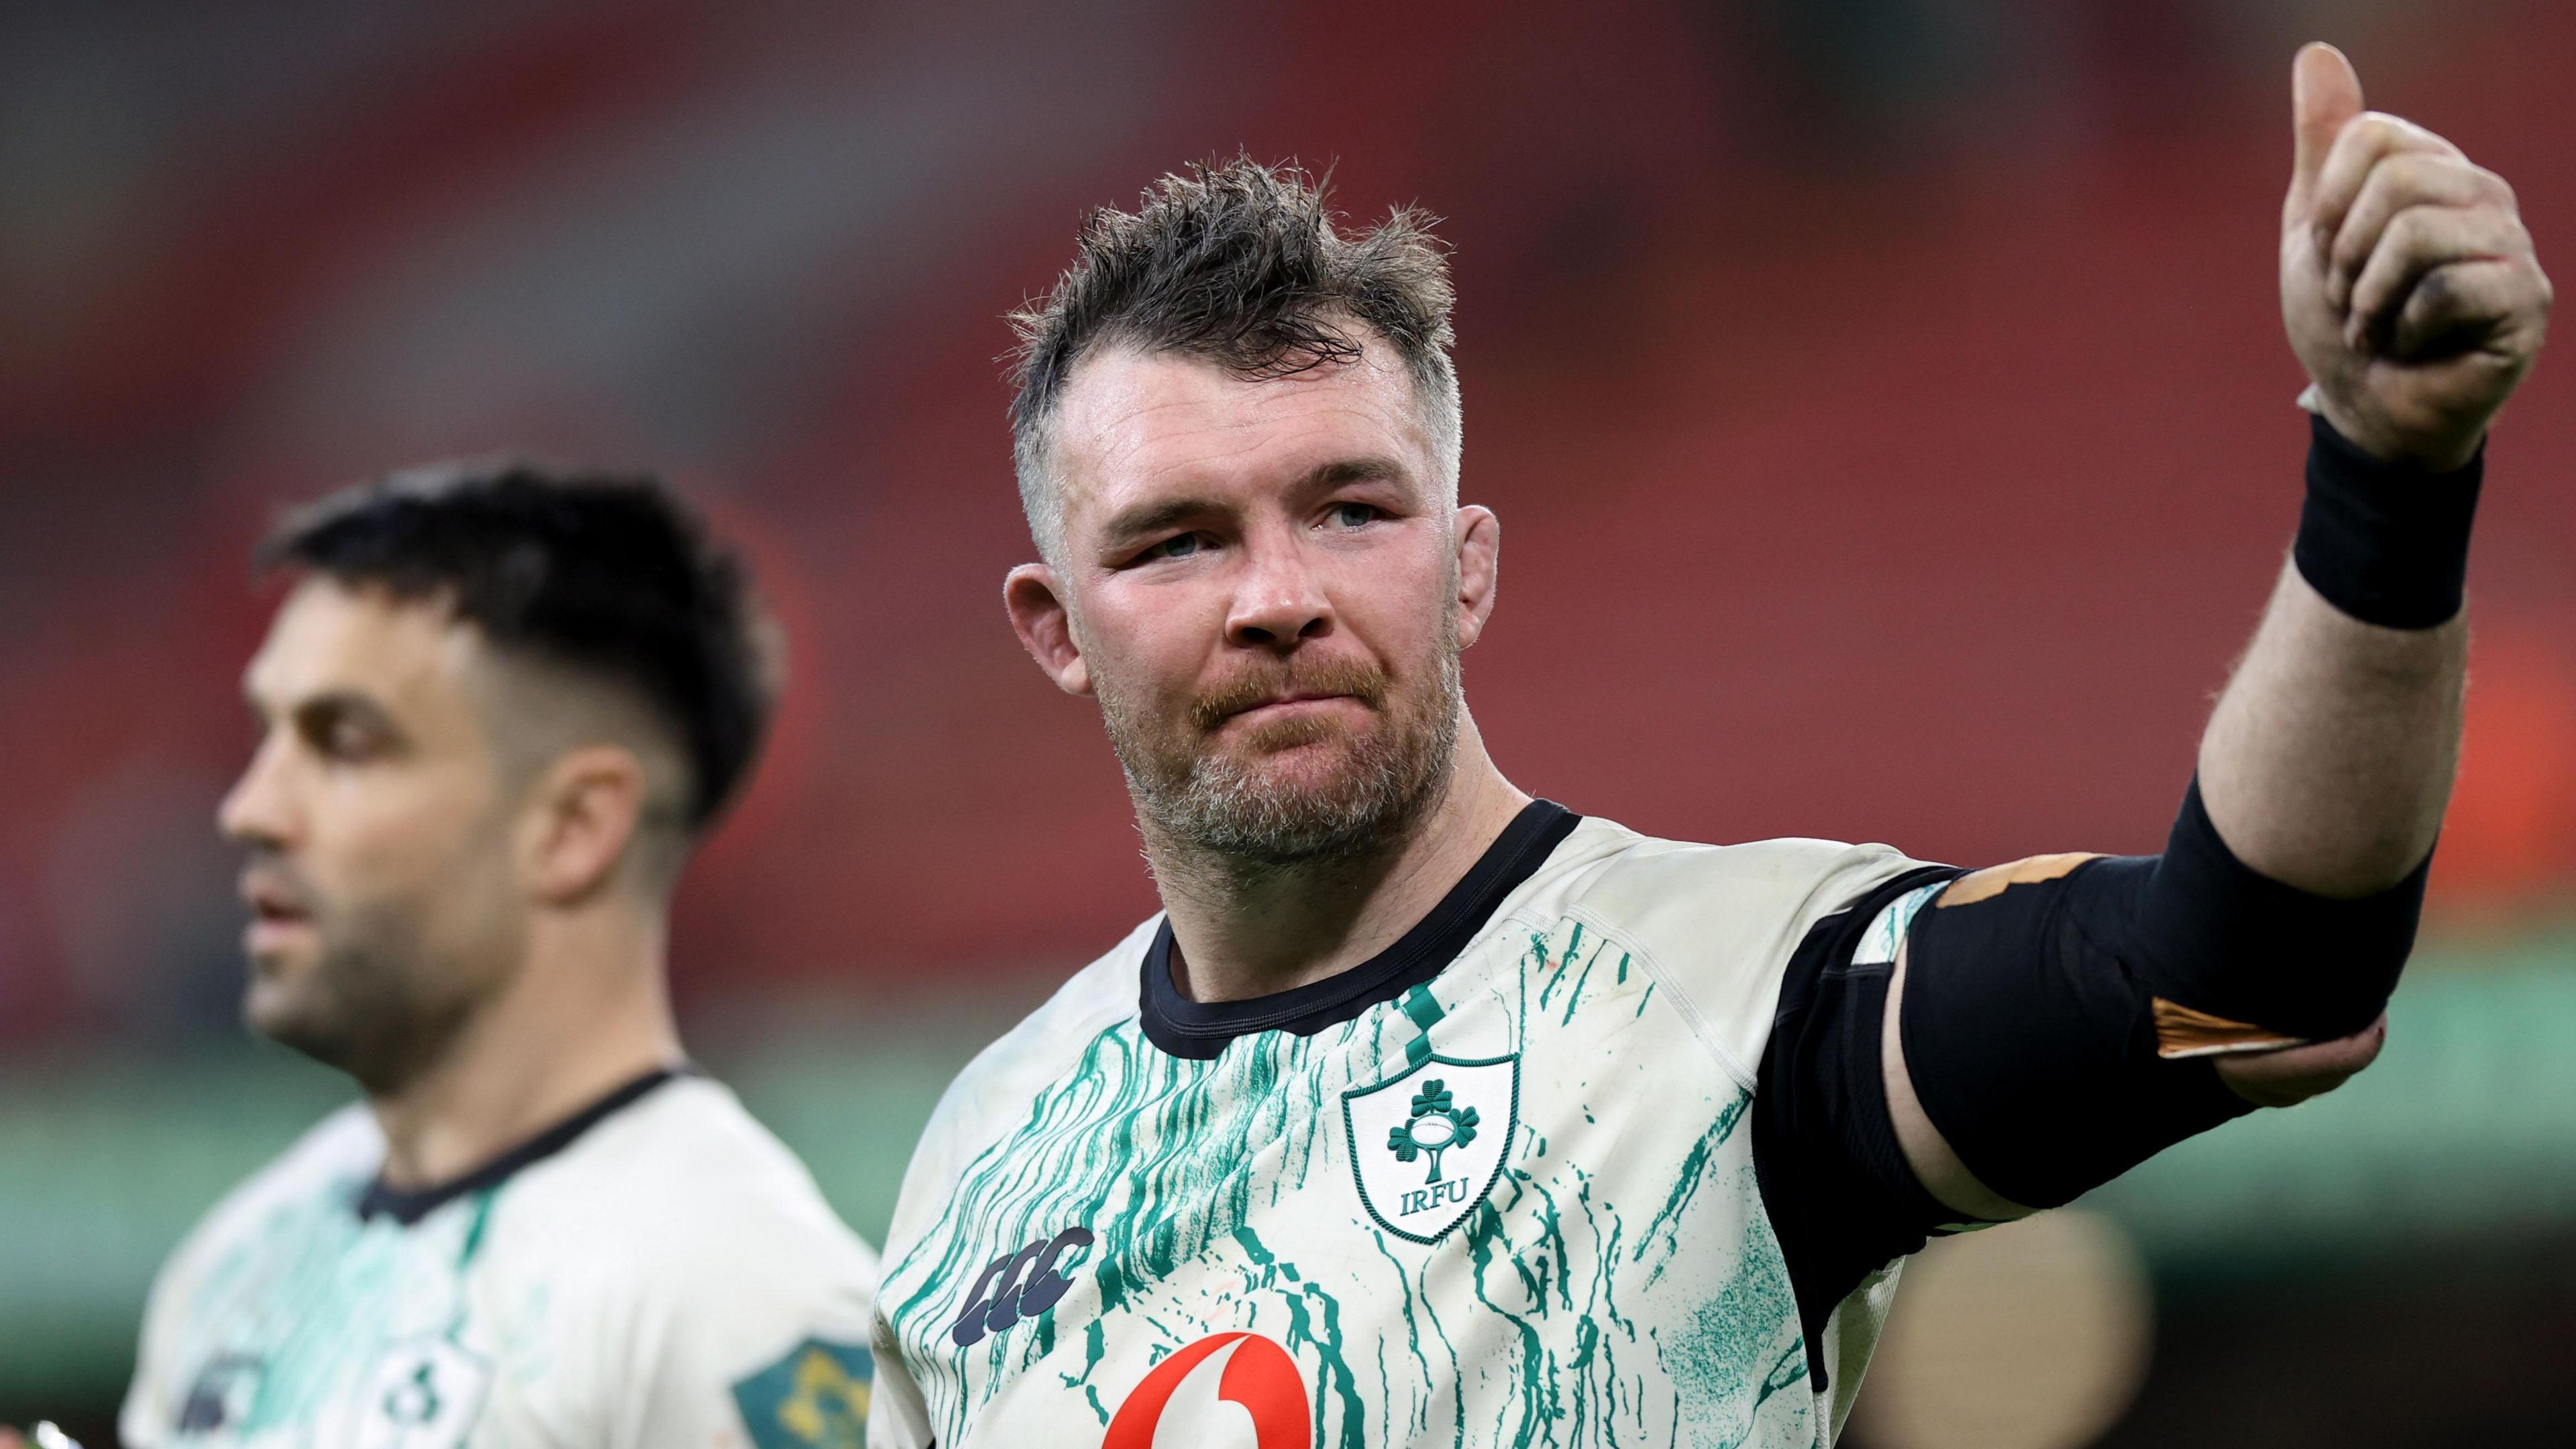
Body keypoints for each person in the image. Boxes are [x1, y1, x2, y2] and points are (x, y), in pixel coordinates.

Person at [865, 44, 2548, 1448]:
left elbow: (2247, 974)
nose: (1279, 599)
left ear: (1467, 569)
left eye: (1352, 508)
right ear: (1054, 628)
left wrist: (2387, 473)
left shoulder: (1726, 1000)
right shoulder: (986, 1151)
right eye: (1177, 543)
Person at [116, 466, 879, 1448]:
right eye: (267, 738)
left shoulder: (734, 1297)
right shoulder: (237, 1264)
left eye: (344, 743)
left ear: (573, 826)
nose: (251, 810)